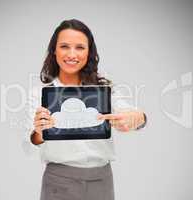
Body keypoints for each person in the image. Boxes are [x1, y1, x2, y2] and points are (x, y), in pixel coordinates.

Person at [28, 19, 147, 200]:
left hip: (102, 180)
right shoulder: (40, 93)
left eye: (80, 47)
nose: (72, 54)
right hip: (59, 182)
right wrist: (39, 132)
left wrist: (139, 117)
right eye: (64, 46)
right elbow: (30, 142)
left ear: (89, 51)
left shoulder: (104, 89)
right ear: (54, 50)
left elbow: (129, 113)